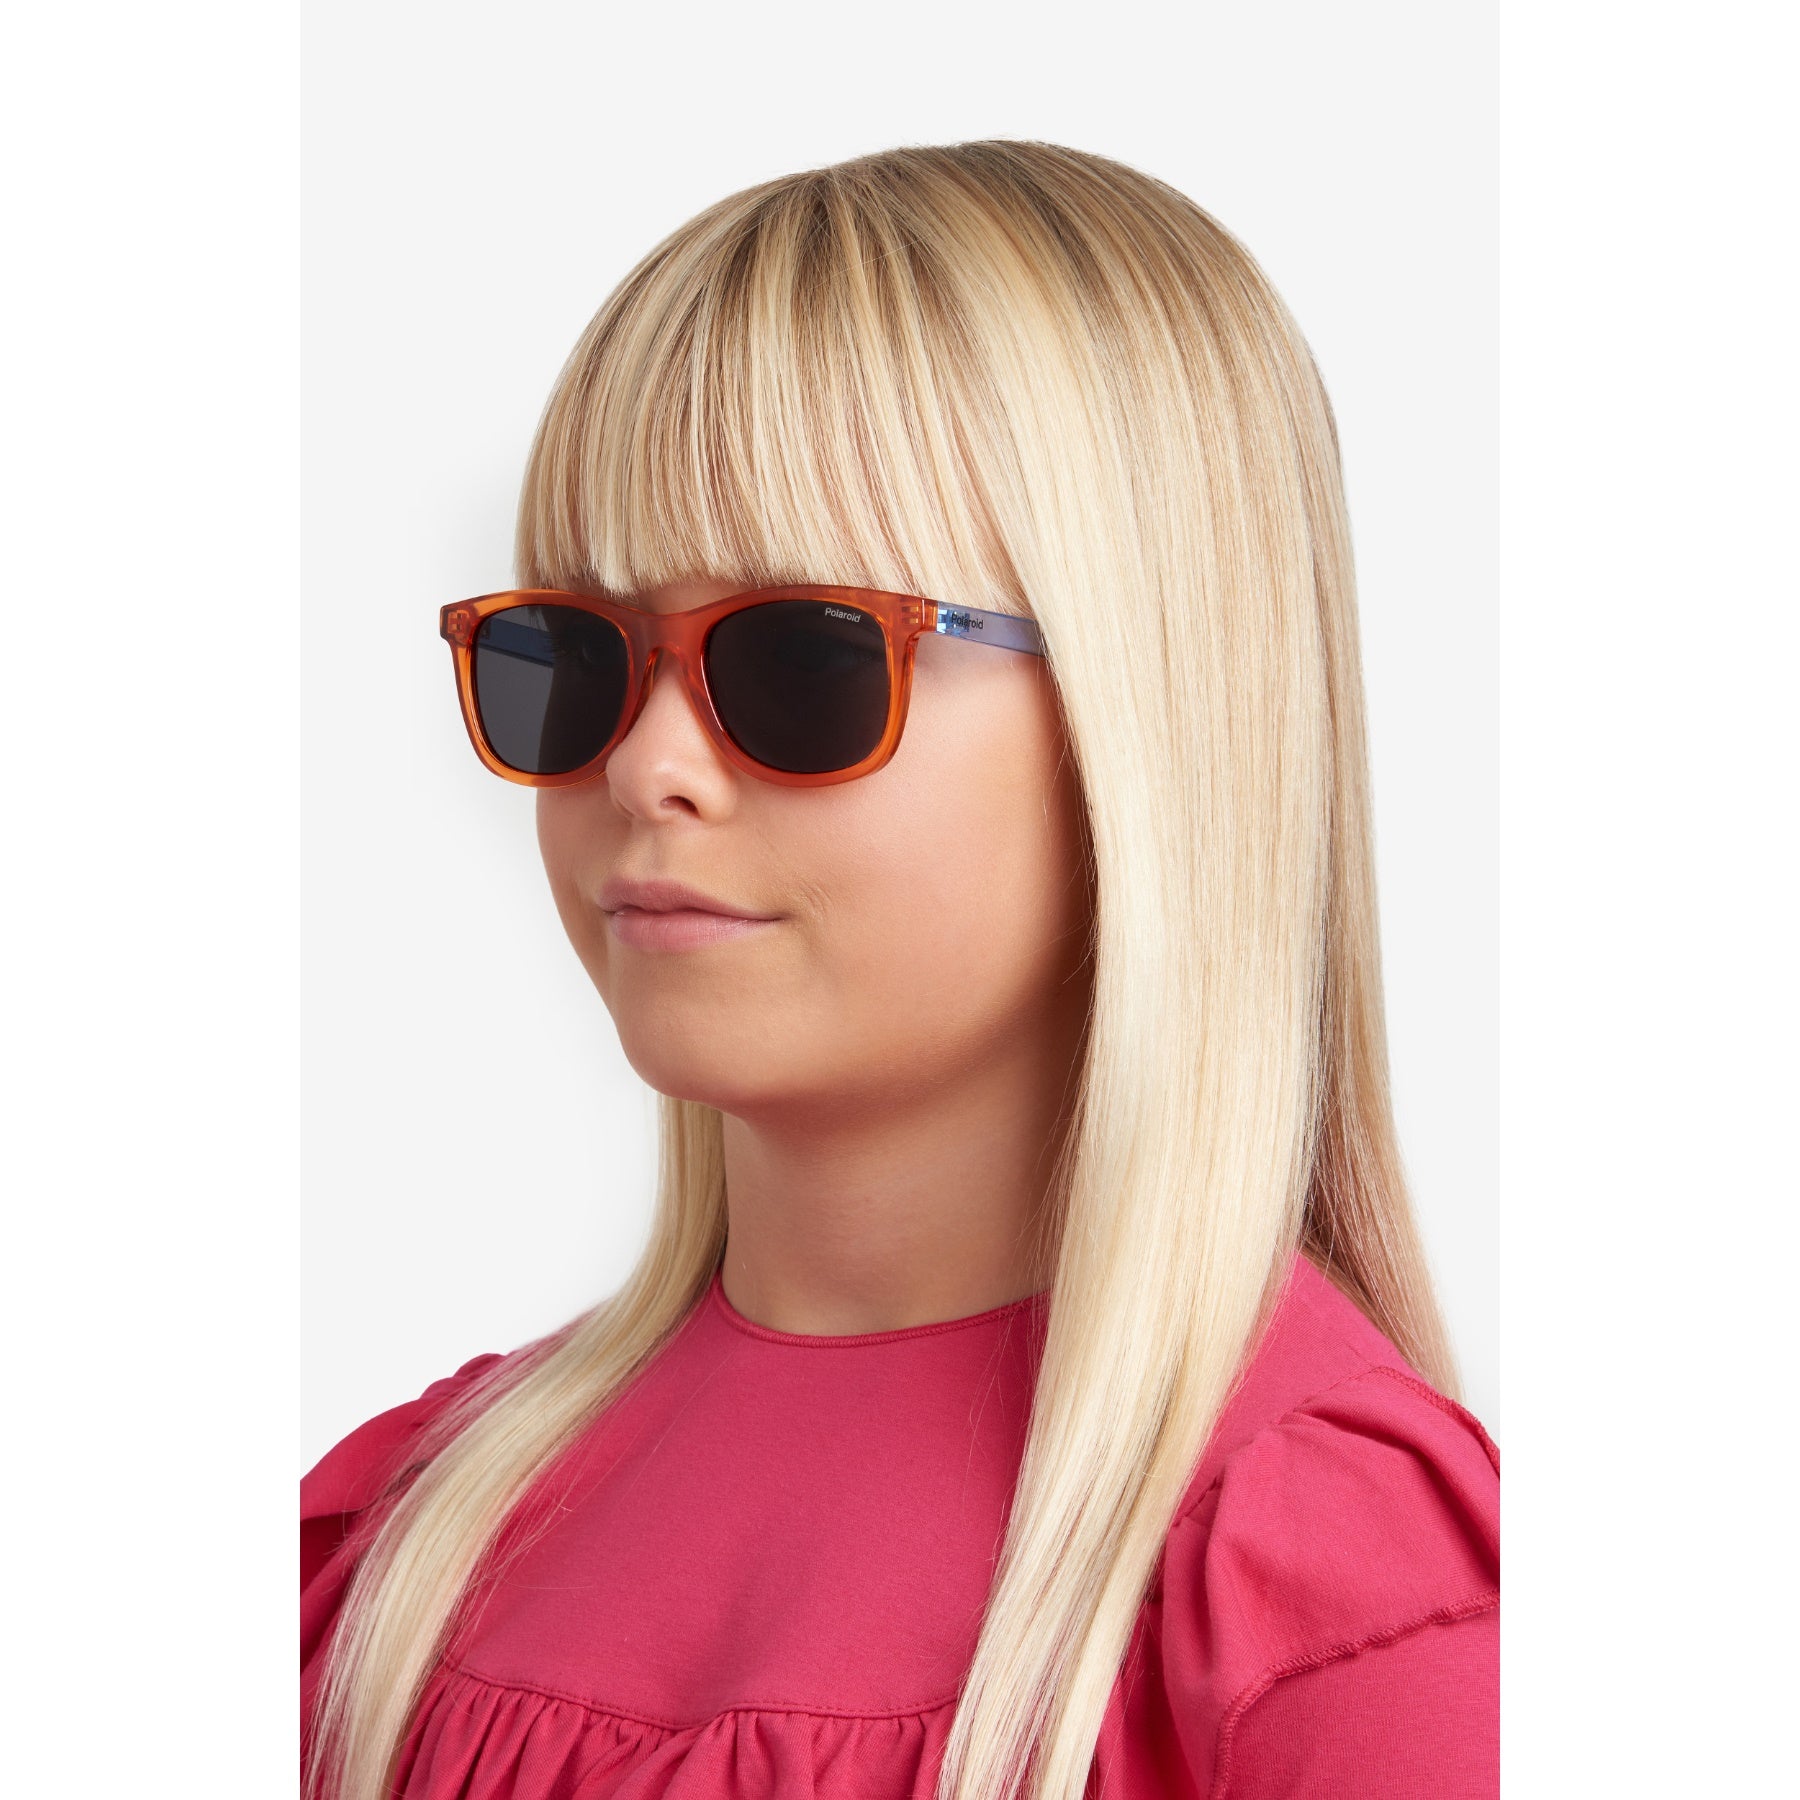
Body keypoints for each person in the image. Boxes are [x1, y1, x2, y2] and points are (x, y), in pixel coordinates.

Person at [301, 139, 1499, 1800]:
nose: (647, 766)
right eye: (576, 657)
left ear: (1148, 723)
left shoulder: (1324, 1600)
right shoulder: (400, 1548)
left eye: (801, 661)